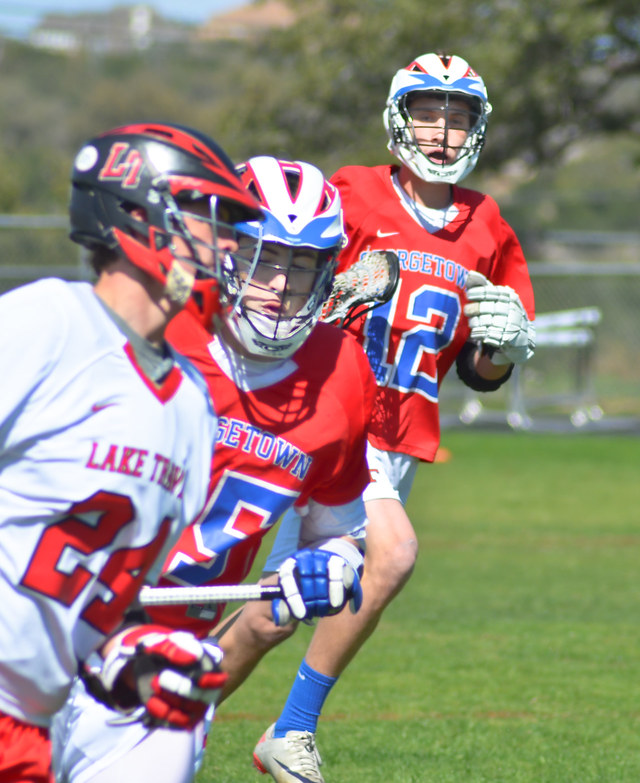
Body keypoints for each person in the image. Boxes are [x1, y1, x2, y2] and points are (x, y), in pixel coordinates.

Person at [0, 122, 266, 782]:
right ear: (137, 212)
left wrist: (135, 662)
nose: (227, 242)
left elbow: (101, 596)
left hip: (24, 735)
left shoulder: (192, 409)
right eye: (208, 215)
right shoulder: (47, 324)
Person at [213, 52, 537, 783]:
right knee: (390, 555)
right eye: (429, 112)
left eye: (458, 117)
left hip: (399, 440)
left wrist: (505, 346)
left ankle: (158, 718)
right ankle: (288, 729)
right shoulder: (351, 195)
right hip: (330, 423)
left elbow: (478, 372)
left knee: (272, 614)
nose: (443, 131)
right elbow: (284, 297)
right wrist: (341, 296)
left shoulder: (489, 227)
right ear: (398, 117)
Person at [50, 155, 375, 783]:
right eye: (265, 259)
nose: (281, 285)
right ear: (226, 251)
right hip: (53, 631)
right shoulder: (154, 330)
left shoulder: (342, 373)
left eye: (303, 266)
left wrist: (333, 565)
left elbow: (340, 531)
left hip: (166, 665)